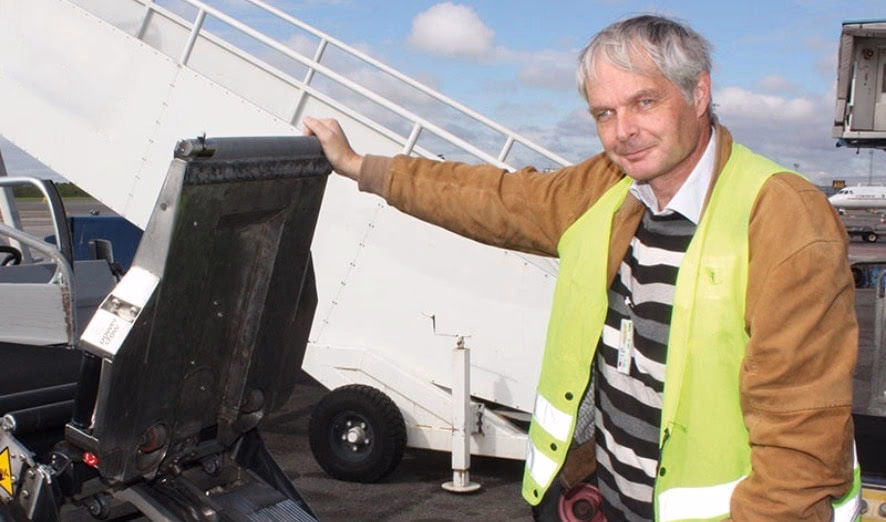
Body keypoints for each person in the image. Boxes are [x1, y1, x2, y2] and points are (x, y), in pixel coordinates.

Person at [304, 14, 861, 522]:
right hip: (605, 502)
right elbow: (489, 198)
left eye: (644, 102)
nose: (623, 131)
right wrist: (360, 166)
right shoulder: (607, 189)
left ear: (698, 92)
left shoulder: (781, 217)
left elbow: (802, 448)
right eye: (605, 113)